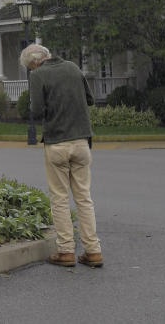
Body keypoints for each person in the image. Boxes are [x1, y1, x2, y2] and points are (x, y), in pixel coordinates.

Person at [21, 43, 103, 268]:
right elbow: (90, 99)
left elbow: (36, 110)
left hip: (57, 142)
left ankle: (66, 250)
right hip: (82, 140)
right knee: (84, 198)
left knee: (59, 198)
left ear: (34, 63)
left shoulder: (38, 75)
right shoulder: (73, 68)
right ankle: (93, 250)